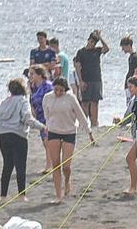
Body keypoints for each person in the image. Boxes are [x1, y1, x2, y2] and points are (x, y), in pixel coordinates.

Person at [39, 75, 96, 203]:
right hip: (53, 132)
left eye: (61, 90)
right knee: (56, 164)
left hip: (69, 132)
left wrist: (89, 133)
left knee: (66, 165)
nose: (58, 93)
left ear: (65, 90)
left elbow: (81, 116)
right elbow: (46, 114)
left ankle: (67, 180)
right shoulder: (47, 97)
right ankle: (58, 195)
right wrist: (47, 127)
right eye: (56, 90)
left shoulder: (70, 98)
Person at [0, 78, 38, 199]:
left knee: (7, 165)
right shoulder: (23, 101)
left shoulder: (4, 102)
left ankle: (3, 195)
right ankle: (21, 195)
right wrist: (42, 127)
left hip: (3, 135)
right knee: (20, 165)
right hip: (18, 135)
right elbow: (27, 118)